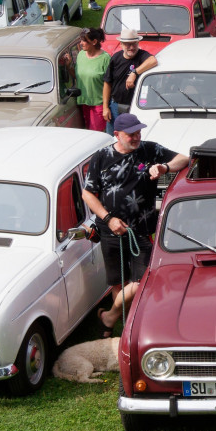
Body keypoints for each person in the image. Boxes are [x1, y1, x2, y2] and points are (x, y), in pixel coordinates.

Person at [81, 113, 188, 336]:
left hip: (141, 229)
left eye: (138, 132)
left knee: (142, 281)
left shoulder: (149, 150)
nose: (137, 137)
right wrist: (109, 220)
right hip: (111, 229)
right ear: (117, 134)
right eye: (131, 134)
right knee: (118, 282)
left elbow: (184, 159)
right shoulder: (101, 157)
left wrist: (164, 167)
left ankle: (109, 316)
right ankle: (127, 327)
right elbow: (88, 194)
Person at [101, 28, 157, 134]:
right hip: (115, 106)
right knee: (112, 137)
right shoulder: (115, 58)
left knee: (132, 137)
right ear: (121, 44)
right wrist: (105, 108)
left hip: (134, 107)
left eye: (134, 44)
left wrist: (134, 73)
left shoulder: (142, 56)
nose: (131, 47)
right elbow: (107, 83)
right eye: (128, 44)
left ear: (138, 43)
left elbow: (153, 61)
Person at [77, 28, 111, 131]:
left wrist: (105, 107)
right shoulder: (80, 55)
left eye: (84, 40)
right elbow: (78, 77)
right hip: (84, 103)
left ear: (94, 42)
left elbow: (109, 84)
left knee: (96, 133)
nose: (81, 43)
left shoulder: (105, 58)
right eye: (81, 40)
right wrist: (69, 65)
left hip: (99, 104)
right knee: (88, 133)